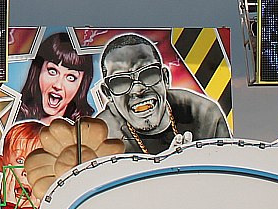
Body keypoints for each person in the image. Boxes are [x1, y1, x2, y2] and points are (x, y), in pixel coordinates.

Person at [94, 34, 229, 154]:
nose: (137, 90)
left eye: (148, 74)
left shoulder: (205, 115)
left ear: (165, 78)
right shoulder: (101, 138)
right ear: (108, 93)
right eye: (121, 81)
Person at [17, 31, 94, 123]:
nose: (58, 85)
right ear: (38, 71)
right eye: (52, 71)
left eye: (71, 77)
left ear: (82, 84)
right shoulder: (15, 120)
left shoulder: (88, 127)